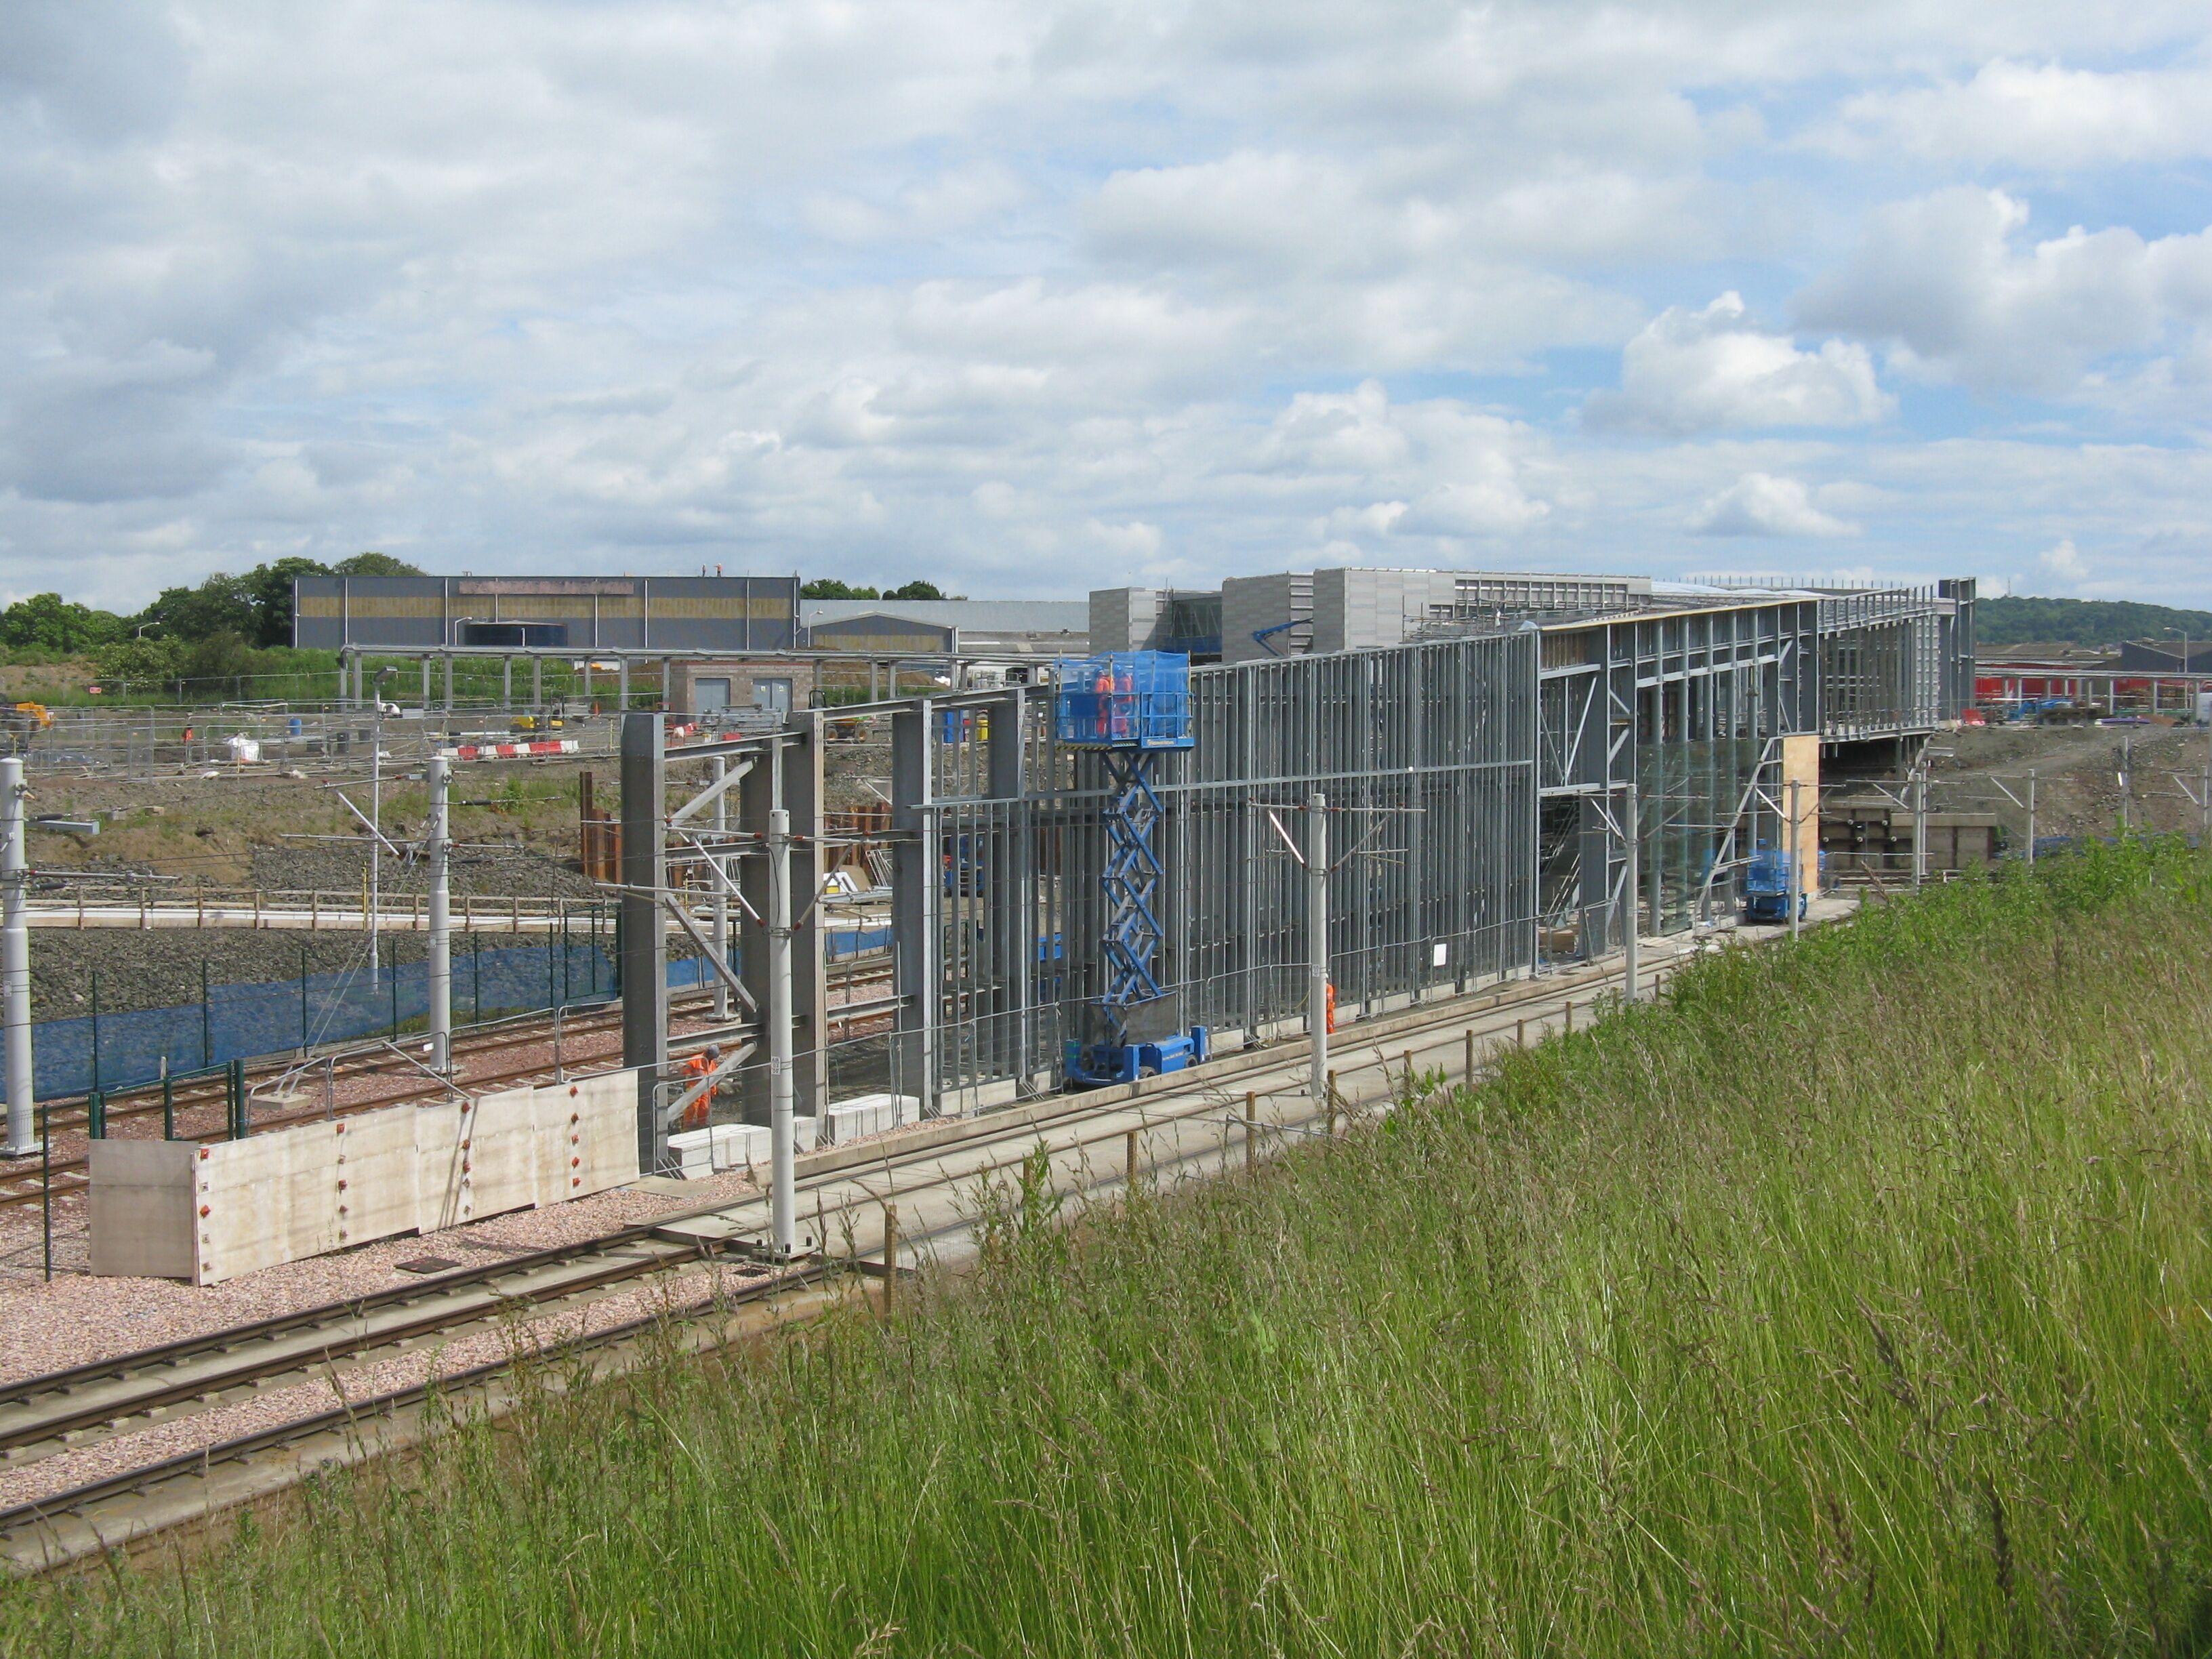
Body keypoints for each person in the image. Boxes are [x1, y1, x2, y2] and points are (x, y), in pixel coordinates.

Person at [680, 1042, 720, 1130]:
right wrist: (694, 1076)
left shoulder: (712, 1063)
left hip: (705, 1089)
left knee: (705, 1108)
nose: (712, 1059)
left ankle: (701, 1125)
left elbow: (713, 1076)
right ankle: (686, 1126)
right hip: (694, 1088)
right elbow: (684, 1072)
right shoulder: (695, 1060)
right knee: (692, 1108)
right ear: (708, 1053)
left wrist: (713, 1091)